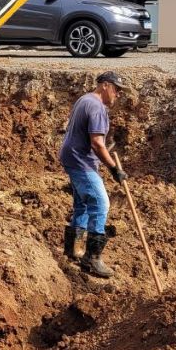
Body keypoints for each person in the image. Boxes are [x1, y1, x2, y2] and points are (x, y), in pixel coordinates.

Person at [58, 70, 127, 278]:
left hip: (71, 157)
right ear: (105, 85)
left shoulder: (85, 99)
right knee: (100, 203)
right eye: (116, 89)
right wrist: (114, 168)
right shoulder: (97, 107)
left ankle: (73, 250)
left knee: (82, 203)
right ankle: (92, 259)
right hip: (81, 161)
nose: (118, 94)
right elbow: (97, 143)